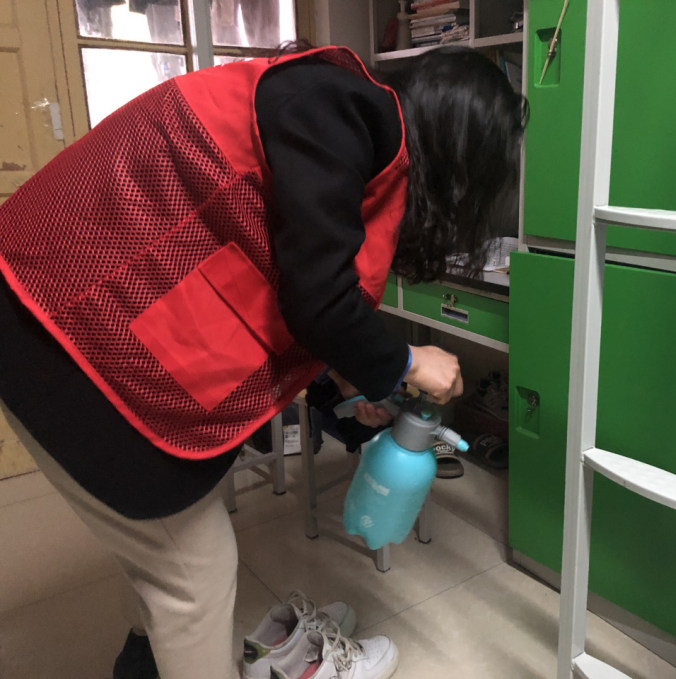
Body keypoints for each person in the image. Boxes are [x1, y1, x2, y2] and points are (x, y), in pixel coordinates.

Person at [0, 44, 527, 679]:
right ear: (459, 151)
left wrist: (341, 383)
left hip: (66, 319)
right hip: (59, 329)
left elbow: (265, 275)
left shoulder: (334, 115)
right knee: (192, 577)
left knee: (160, 561)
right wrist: (409, 360)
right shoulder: (340, 111)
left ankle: (142, 667)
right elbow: (319, 301)